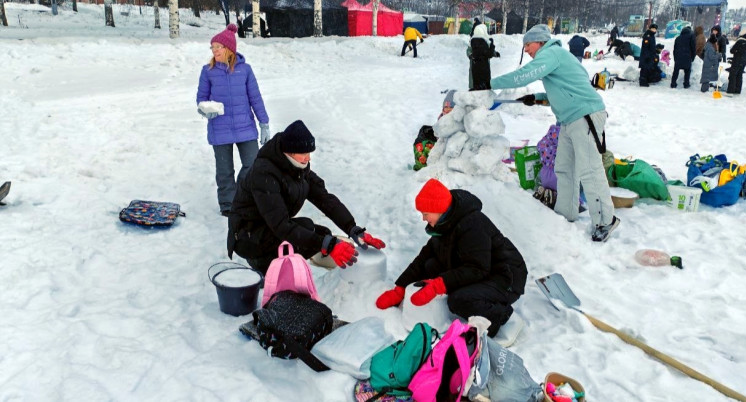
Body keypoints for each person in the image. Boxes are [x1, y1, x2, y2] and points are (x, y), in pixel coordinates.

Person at [490, 24, 619, 242]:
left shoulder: (552, 53)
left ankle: (605, 220)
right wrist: (538, 98)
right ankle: (565, 213)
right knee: (564, 169)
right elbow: (565, 89)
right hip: (569, 120)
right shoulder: (556, 58)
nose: (527, 50)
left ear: (540, 42)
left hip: (584, 115)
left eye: (528, 45)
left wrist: (489, 83)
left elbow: (525, 75)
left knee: (589, 169)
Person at [226, 120, 386, 273]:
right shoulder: (264, 174)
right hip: (247, 236)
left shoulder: (297, 168)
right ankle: (267, 268)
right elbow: (281, 225)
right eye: (304, 153)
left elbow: (325, 199)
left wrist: (352, 228)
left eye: (309, 152)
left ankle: (283, 261)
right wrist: (327, 245)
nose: (308, 158)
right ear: (289, 151)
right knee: (315, 237)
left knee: (323, 234)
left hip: (268, 228)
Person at [375, 179, 527, 337]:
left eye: (425, 213)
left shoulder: (472, 225)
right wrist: (400, 288)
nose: (423, 219)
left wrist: (439, 285)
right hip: (482, 270)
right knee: (430, 265)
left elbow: (477, 268)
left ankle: (503, 316)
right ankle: (476, 294)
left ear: (438, 209)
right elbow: (423, 258)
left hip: (506, 277)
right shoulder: (444, 224)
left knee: (459, 300)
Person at [197, 24, 270, 216]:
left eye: (217, 47)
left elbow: (255, 97)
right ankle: (228, 205)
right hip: (219, 128)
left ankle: (240, 195)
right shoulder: (208, 71)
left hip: (245, 126)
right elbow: (201, 99)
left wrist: (264, 123)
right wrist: (206, 110)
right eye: (212, 48)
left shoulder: (245, 70)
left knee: (253, 165)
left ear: (228, 48)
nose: (214, 51)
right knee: (224, 171)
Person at [466, 23, 500, 90]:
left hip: (474, 64)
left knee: (473, 78)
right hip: (484, 65)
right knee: (484, 79)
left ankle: (473, 88)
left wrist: (470, 56)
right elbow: (490, 52)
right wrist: (496, 54)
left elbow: (468, 51)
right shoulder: (486, 41)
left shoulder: (472, 41)